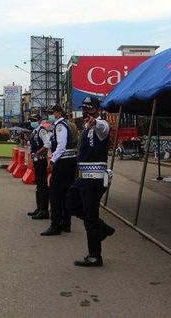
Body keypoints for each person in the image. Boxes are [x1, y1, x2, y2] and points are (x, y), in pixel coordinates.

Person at [65, 96, 115, 267]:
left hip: (94, 180)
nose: (86, 111)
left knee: (91, 216)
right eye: (84, 108)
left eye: (90, 108)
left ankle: (95, 255)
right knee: (71, 205)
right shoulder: (86, 127)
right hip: (81, 178)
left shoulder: (102, 125)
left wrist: (96, 122)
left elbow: (103, 127)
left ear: (98, 110)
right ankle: (103, 229)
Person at [40, 105, 77, 236]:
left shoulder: (60, 126)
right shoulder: (61, 125)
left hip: (63, 162)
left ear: (58, 113)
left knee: (55, 194)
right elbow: (51, 142)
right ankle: (66, 223)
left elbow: (61, 146)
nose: (50, 115)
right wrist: (42, 150)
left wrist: (52, 161)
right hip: (69, 161)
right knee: (66, 193)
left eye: (52, 112)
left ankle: (55, 225)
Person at [27, 114, 52, 220]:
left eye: (34, 120)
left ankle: (44, 210)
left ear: (39, 120)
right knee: (38, 184)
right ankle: (39, 208)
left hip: (41, 160)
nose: (32, 121)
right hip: (36, 160)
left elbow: (48, 143)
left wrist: (38, 152)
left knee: (42, 185)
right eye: (31, 120)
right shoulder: (35, 131)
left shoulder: (41, 130)